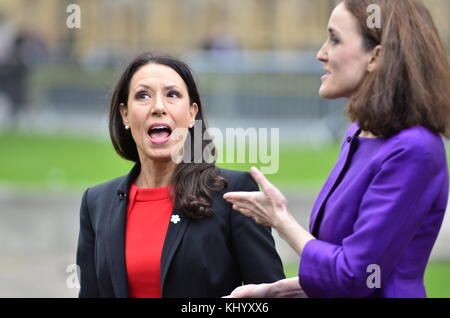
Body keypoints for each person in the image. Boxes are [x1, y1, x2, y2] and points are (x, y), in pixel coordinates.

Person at [224, 0, 450, 298]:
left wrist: (280, 220)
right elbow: (340, 266)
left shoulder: (414, 149)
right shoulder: (360, 132)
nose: (321, 53)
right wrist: (271, 292)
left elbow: (356, 276)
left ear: (376, 56)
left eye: (335, 38)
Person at [76, 53, 285, 298]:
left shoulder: (233, 194)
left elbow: (269, 296)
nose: (158, 107)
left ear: (191, 114)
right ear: (125, 115)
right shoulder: (96, 202)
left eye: (172, 95)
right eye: (143, 95)